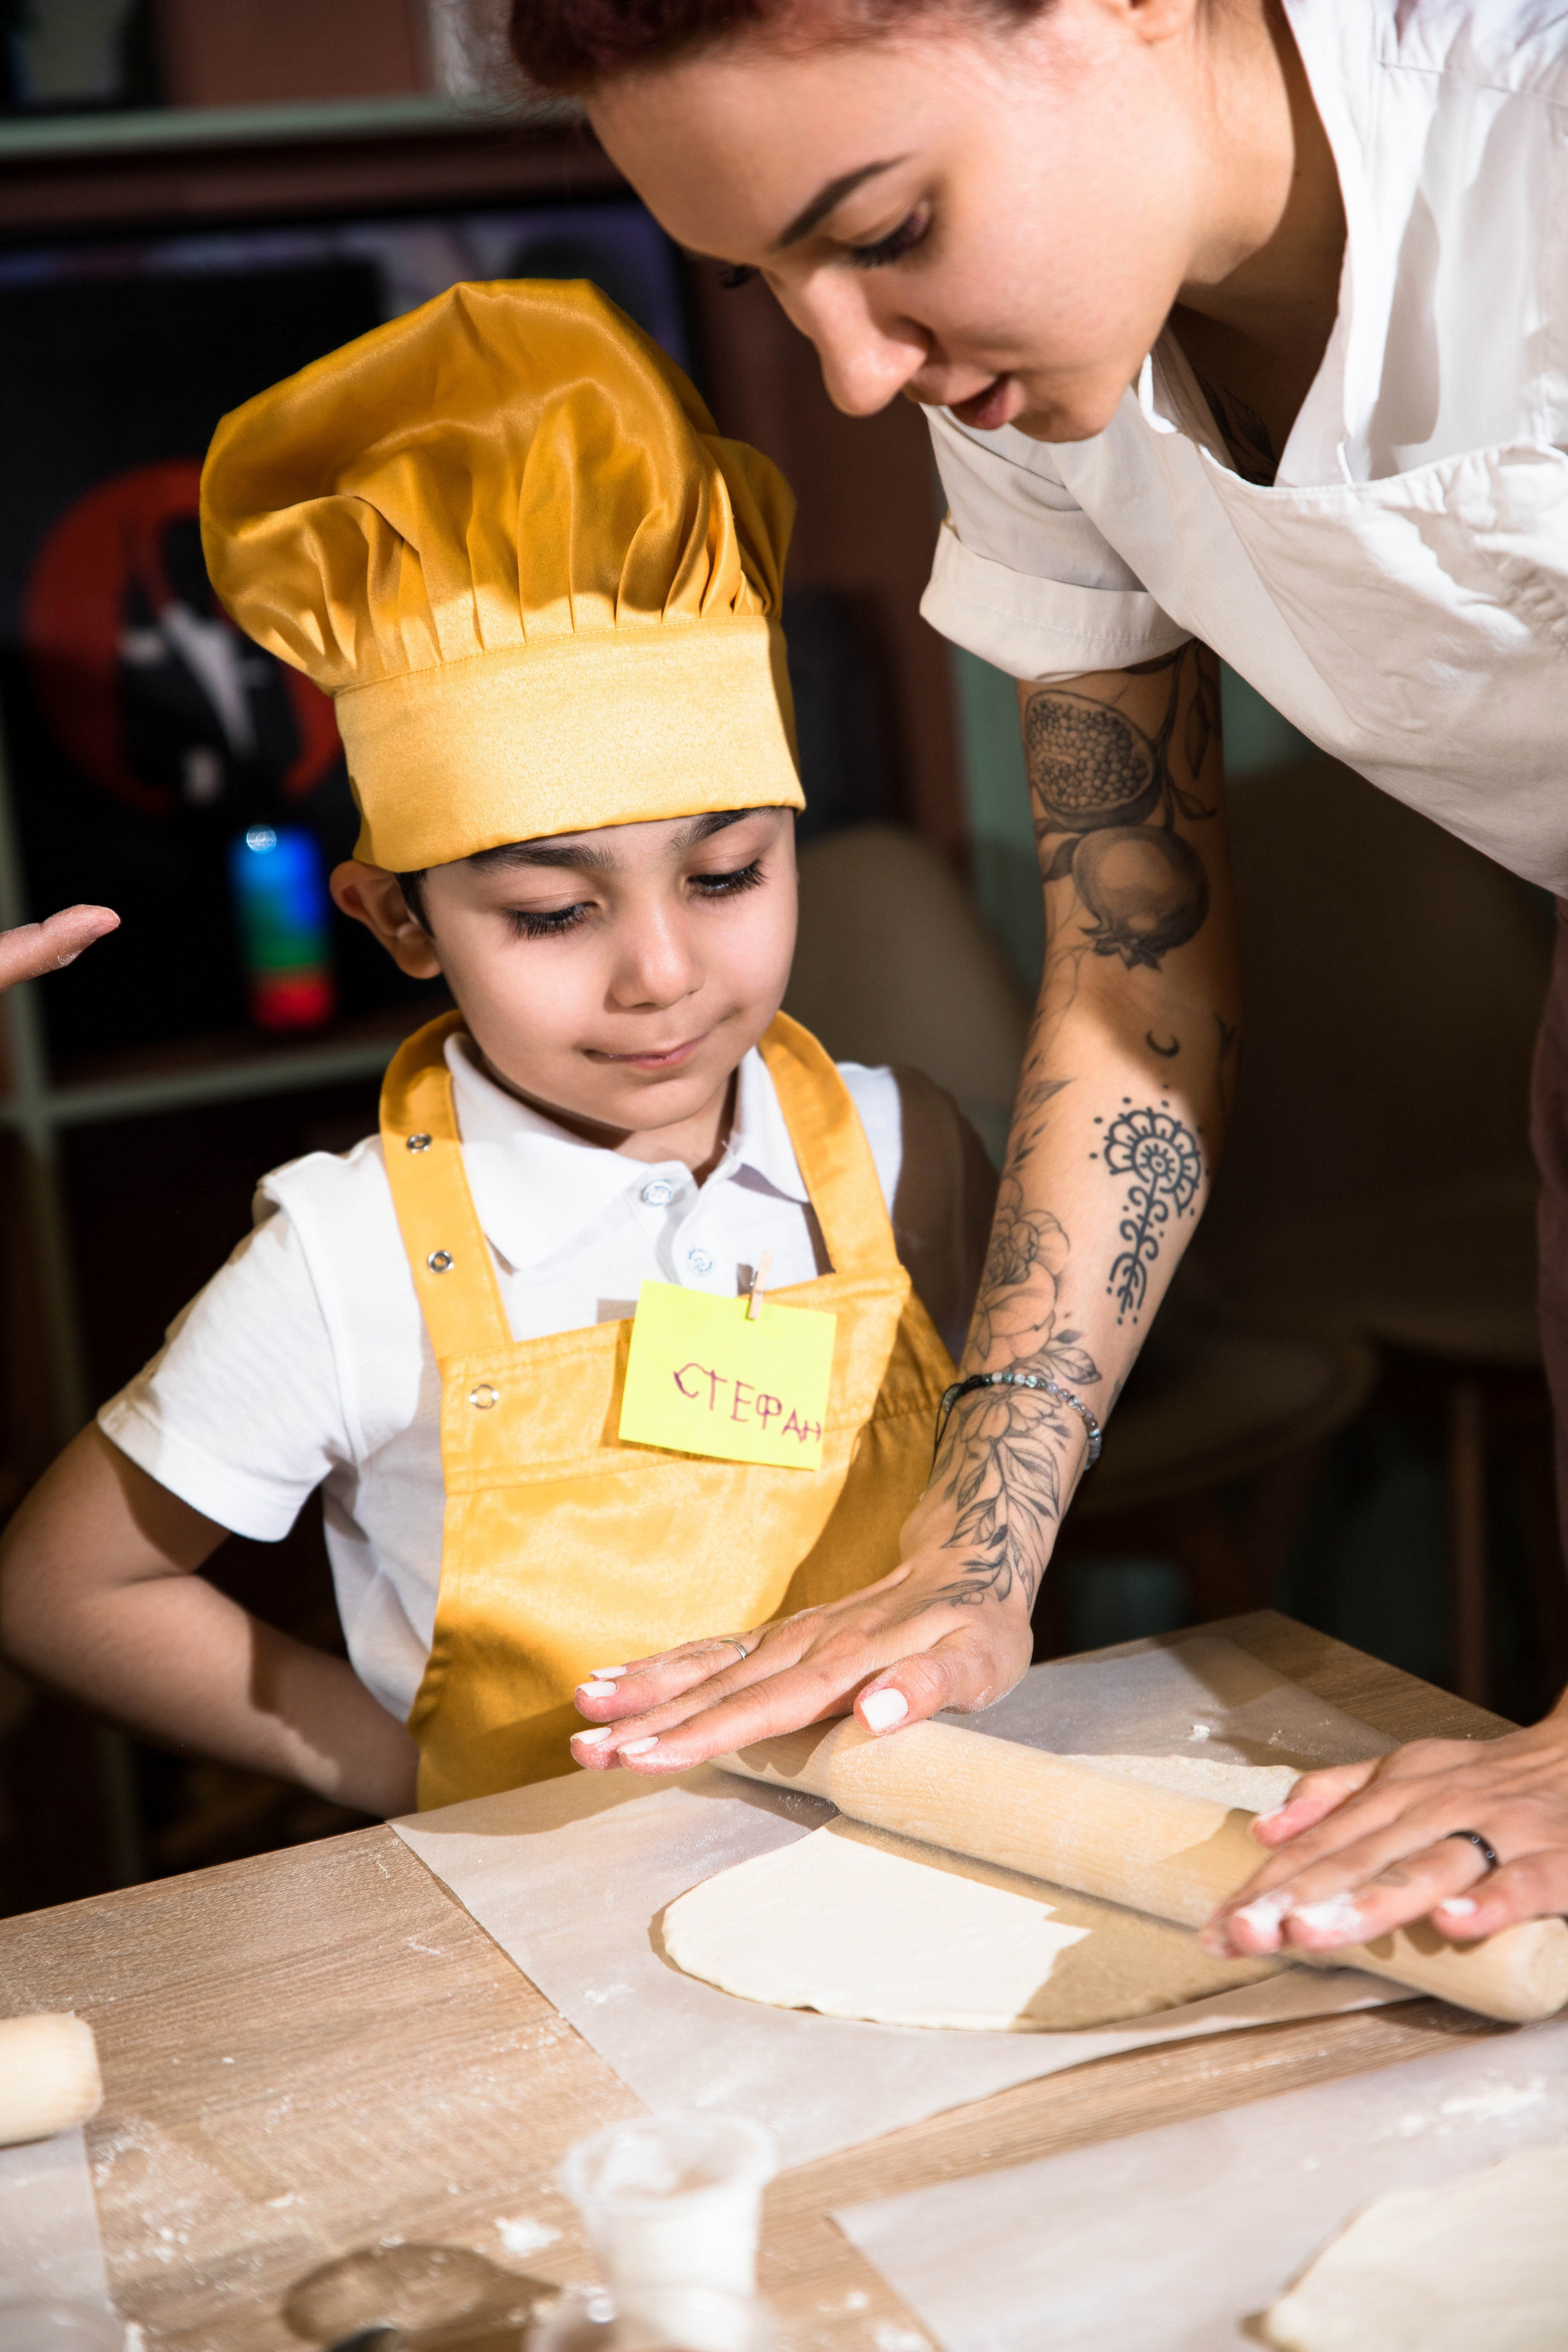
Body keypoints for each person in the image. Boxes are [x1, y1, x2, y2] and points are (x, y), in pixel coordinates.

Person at [507, 0, 1568, 1956]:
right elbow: (1129, 982)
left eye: (888, 227)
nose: (848, 369)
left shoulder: (1539, 150)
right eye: (774, 281)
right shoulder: (1026, 389)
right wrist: (968, 1554)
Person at [0, 279, 995, 1814]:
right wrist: (418, 1776)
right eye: (548, 912)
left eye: (725, 875)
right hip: (542, 1932)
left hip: (913, 1855)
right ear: (402, 925)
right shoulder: (346, 1262)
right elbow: (67, 1589)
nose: (660, 974)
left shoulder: (901, 1151)